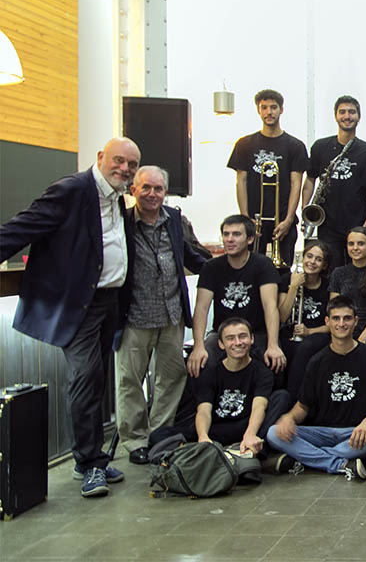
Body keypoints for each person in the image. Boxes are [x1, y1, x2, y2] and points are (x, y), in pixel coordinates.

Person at [0, 137, 140, 496]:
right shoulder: (71, 190)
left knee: (97, 379)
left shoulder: (119, 198)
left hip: (109, 302)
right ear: (100, 158)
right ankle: (87, 464)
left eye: (131, 165)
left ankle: (91, 457)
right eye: (119, 161)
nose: (124, 169)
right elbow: (23, 226)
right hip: (80, 304)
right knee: (85, 377)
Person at [115, 165, 207, 465]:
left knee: (171, 377)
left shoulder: (176, 221)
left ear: (165, 192)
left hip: (172, 315)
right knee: (130, 381)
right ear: (133, 190)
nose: (152, 194)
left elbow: (194, 256)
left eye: (158, 189)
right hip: (135, 315)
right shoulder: (122, 222)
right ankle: (134, 441)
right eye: (146, 188)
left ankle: (158, 434)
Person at [266, 296, 366, 480]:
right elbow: (303, 406)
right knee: (273, 433)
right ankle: (338, 463)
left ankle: (307, 458)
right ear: (327, 321)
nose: (341, 323)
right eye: (336, 318)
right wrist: (289, 418)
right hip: (321, 431)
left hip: (357, 431)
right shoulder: (316, 361)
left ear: (355, 321)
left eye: (347, 318)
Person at [151, 318, 290, 455]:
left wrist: (249, 435)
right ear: (221, 344)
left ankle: (248, 450)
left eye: (242, 337)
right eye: (230, 338)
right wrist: (203, 437)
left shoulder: (262, 371)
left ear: (252, 339)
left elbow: (259, 407)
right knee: (159, 435)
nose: (238, 342)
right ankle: (223, 453)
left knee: (281, 397)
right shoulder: (211, 371)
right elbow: (204, 410)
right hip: (216, 428)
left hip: (245, 426)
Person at [188, 215, 284, 375]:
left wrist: (273, 344)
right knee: (202, 364)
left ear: (250, 239)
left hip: (257, 333)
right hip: (221, 334)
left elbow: (270, 306)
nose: (229, 239)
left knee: (274, 363)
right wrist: (198, 346)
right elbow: (201, 308)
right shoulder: (211, 267)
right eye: (226, 234)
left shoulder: (263, 265)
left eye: (236, 234)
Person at [227, 89, 309, 267]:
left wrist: (288, 220)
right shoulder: (244, 144)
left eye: (273, 107)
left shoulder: (295, 146)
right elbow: (241, 181)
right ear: (258, 110)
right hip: (254, 220)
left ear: (281, 110)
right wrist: (245, 217)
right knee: (252, 270)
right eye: (264, 107)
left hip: (283, 219)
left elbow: (297, 184)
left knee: (283, 272)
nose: (269, 112)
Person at [302, 95, 366, 269]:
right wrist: (305, 209)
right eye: (342, 112)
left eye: (352, 112)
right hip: (327, 222)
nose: (347, 116)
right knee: (330, 271)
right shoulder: (320, 147)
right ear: (335, 115)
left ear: (359, 116)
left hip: (358, 222)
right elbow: (310, 180)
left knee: (357, 272)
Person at [278, 241, 333, 399]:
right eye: (309, 256)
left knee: (304, 348)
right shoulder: (287, 279)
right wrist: (293, 287)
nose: (312, 262)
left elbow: (333, 324)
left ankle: (295, 399)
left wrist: (310, 331)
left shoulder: (328, 286)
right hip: (289, 332)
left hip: (317, 334)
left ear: (324, 265)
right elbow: (282, 316)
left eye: (318, 259)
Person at [328, 227, 366, 349]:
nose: (355, 248)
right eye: (351, 244)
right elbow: (334, 308)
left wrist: (363, 337)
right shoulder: (338, 273)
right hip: (344, 329)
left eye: (360, 244)